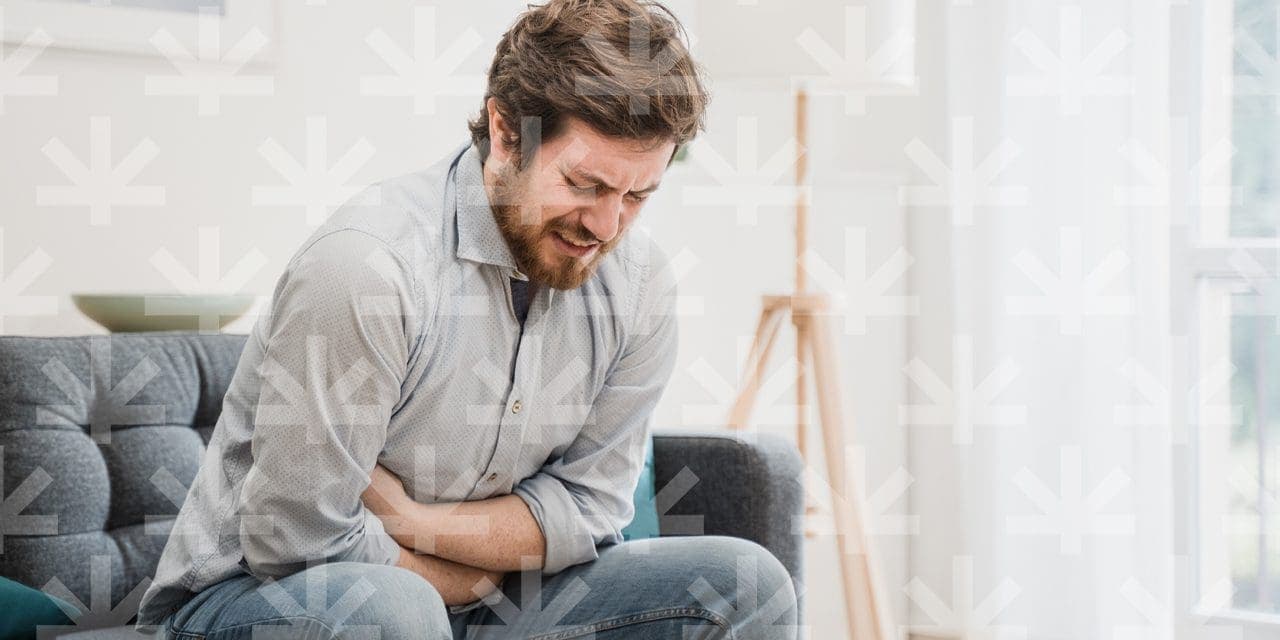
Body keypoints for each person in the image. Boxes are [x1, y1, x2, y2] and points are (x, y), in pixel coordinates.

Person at [136, 0, 798, 637]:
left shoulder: (639, 284)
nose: (605, 225)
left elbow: (589, 509)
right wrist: (468, 580)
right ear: (507, 133)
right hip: (257, 600)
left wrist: (412, 520)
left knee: (746, 584)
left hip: (479, 598)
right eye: (584, 185)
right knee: (394, 614)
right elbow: (298, 540)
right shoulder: (368, 267)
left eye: (637, 196)